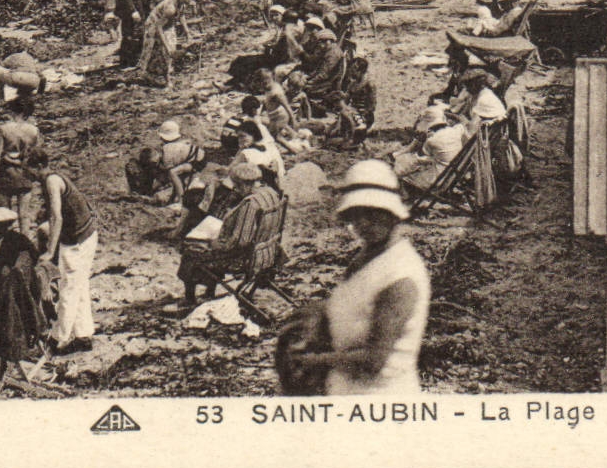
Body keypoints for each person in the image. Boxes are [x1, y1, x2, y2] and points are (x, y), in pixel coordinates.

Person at [293, 161, 429, 394]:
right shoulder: (368, 255)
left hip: (380, 398)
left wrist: (312, 361)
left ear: (392, 214)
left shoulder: (400, 275)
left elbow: (374, 360)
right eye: (356, 215)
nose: (362, 223)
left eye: (373, 214)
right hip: (346, 390)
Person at [175, 159, 283, 312]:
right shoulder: (270, 193)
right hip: (268, 251)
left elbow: (240, 241)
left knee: (191, 250)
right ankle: (209, 292)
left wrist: (215, 243)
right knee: (204, 245)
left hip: (244, 259)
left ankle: (190, 299)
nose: (236, 190)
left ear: (244, 184)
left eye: (237, 186)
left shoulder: (251, 204)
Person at [30, 149, 98, 354]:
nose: (28, 174)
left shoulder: (51, 182)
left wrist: (50, 252)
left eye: (29, 169)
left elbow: (56, 218)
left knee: (68, 288)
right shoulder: (55, 177)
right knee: (79, 285)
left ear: (39, 167)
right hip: (85, 234)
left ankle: (58, 339)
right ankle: (83, 335)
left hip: (77, 240)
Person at [0, 206, 50, 364]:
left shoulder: (14, 243)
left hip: (20, 290)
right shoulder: (8, 239)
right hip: (17, 285)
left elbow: (7, 274)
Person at [135, 0, 194, 89]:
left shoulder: (181, 2)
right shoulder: (170, 8)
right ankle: (166, 79)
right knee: (163, 51)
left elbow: (181, 15)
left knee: (170, 48)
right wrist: (166, 46)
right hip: (154, 25)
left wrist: (187, 31)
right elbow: (159, 27)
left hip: (167, 24)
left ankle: (157, 74)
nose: (189, 0)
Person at [0, 115, 43, 234]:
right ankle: (24, 240)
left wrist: (8, 158)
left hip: (7, 173)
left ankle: (8, 242)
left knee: (5, 212)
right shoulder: (33, 130)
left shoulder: (4, 129)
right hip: (24, 173)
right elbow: (37, 153)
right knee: (23, 214)